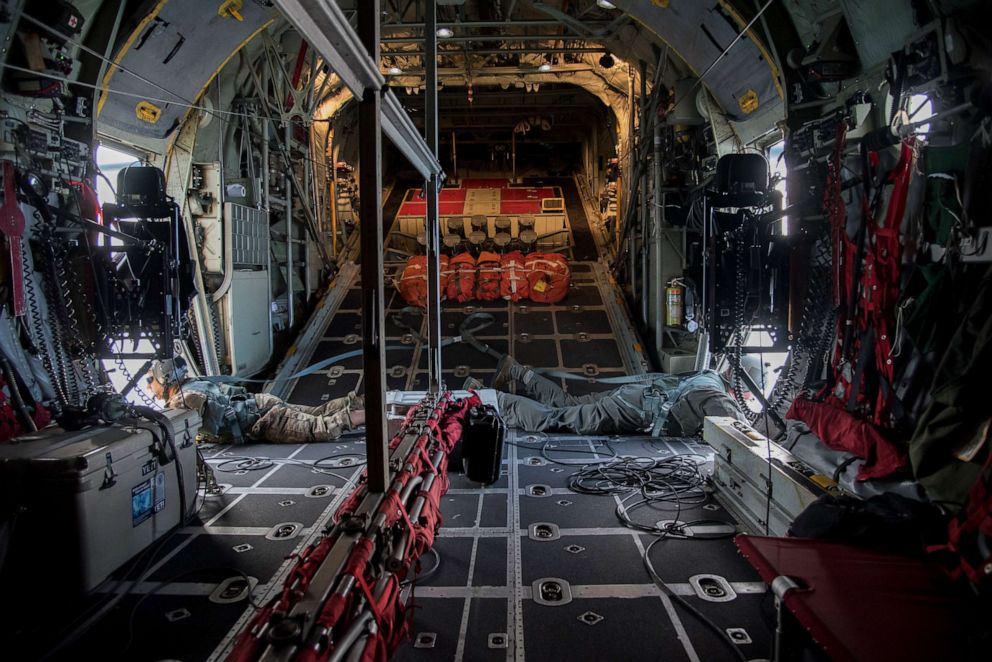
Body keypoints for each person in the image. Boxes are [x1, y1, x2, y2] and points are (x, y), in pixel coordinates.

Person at [465, 355, 747, 437]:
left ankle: (518, 371)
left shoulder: (707, 374)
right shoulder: (715, 392)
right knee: (558, 419)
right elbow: (735, 427)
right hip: (632, 409)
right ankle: (489, 399)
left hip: (632, 397)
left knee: (569, 405)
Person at [146, 357, 365, 443]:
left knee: (320, 428)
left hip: (264, 419)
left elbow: (208, 427)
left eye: (151, 380)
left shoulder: (184, 399)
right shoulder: (195, 383)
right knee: (319, 411)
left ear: (166, 380)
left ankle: (367, 415)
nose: (148, 386)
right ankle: (367, 402)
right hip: (262, 403)